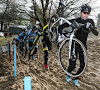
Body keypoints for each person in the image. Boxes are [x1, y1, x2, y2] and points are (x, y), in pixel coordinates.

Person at [58, 4, 99, 86]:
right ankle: (69, 74)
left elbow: (96, 33)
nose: (86, 15)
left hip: (83, 46)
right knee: (72, 65)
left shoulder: (90, 21)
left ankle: (76, 78)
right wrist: (61, 34)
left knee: (83, 65)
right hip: (74, 45)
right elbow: (61, 26)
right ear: (81, 12)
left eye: (88, 13)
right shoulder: (75, 20)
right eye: (84, 12)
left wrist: (91, 27)